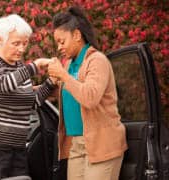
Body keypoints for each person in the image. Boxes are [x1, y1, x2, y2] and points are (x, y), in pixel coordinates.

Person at [0, 14, 55, 179]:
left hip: (17, 149)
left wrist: (51, 83)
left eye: (25, 43)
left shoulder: (21, 69)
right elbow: (2, 84)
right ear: (0, 40)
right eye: (16, 43)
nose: (22, 49)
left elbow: (32, 103)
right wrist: (35, 66)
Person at [47, 6, 128, 180]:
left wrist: (62, 75)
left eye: (62, 41)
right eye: (57, 43)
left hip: (101, 145)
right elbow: (65, 90)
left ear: (77, 35)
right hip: (77, 144)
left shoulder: (97, 60)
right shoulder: (70, 64)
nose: (59, 47)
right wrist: (29, 88)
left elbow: (90, 97)